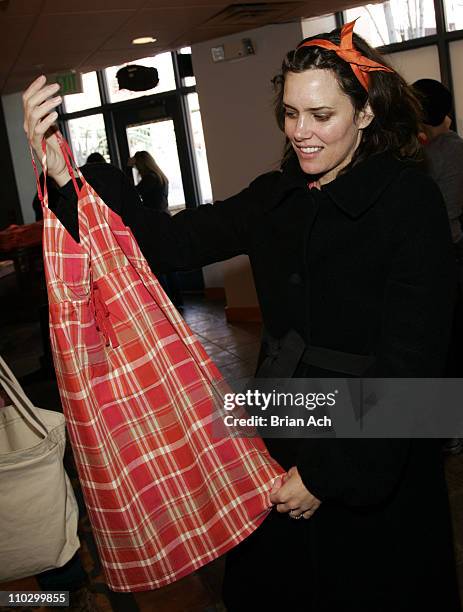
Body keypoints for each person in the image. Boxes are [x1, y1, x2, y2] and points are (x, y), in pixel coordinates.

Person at [23, 21, 461, 612]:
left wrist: (329, 473)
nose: (300, 132)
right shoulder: (276, 194)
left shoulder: (410, 202)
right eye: (289, 112)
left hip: (371, 442)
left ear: (364, 115)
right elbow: (167, 241)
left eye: (320, 115)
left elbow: (419, 370)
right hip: (277, 410)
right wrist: (64, 177)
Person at [413, 78, 463, 453]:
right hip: (445, 258)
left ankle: (450, 432)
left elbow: (444, 215)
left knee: (448, 349)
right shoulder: (439, 148)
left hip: (448, 260)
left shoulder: (444, 153)